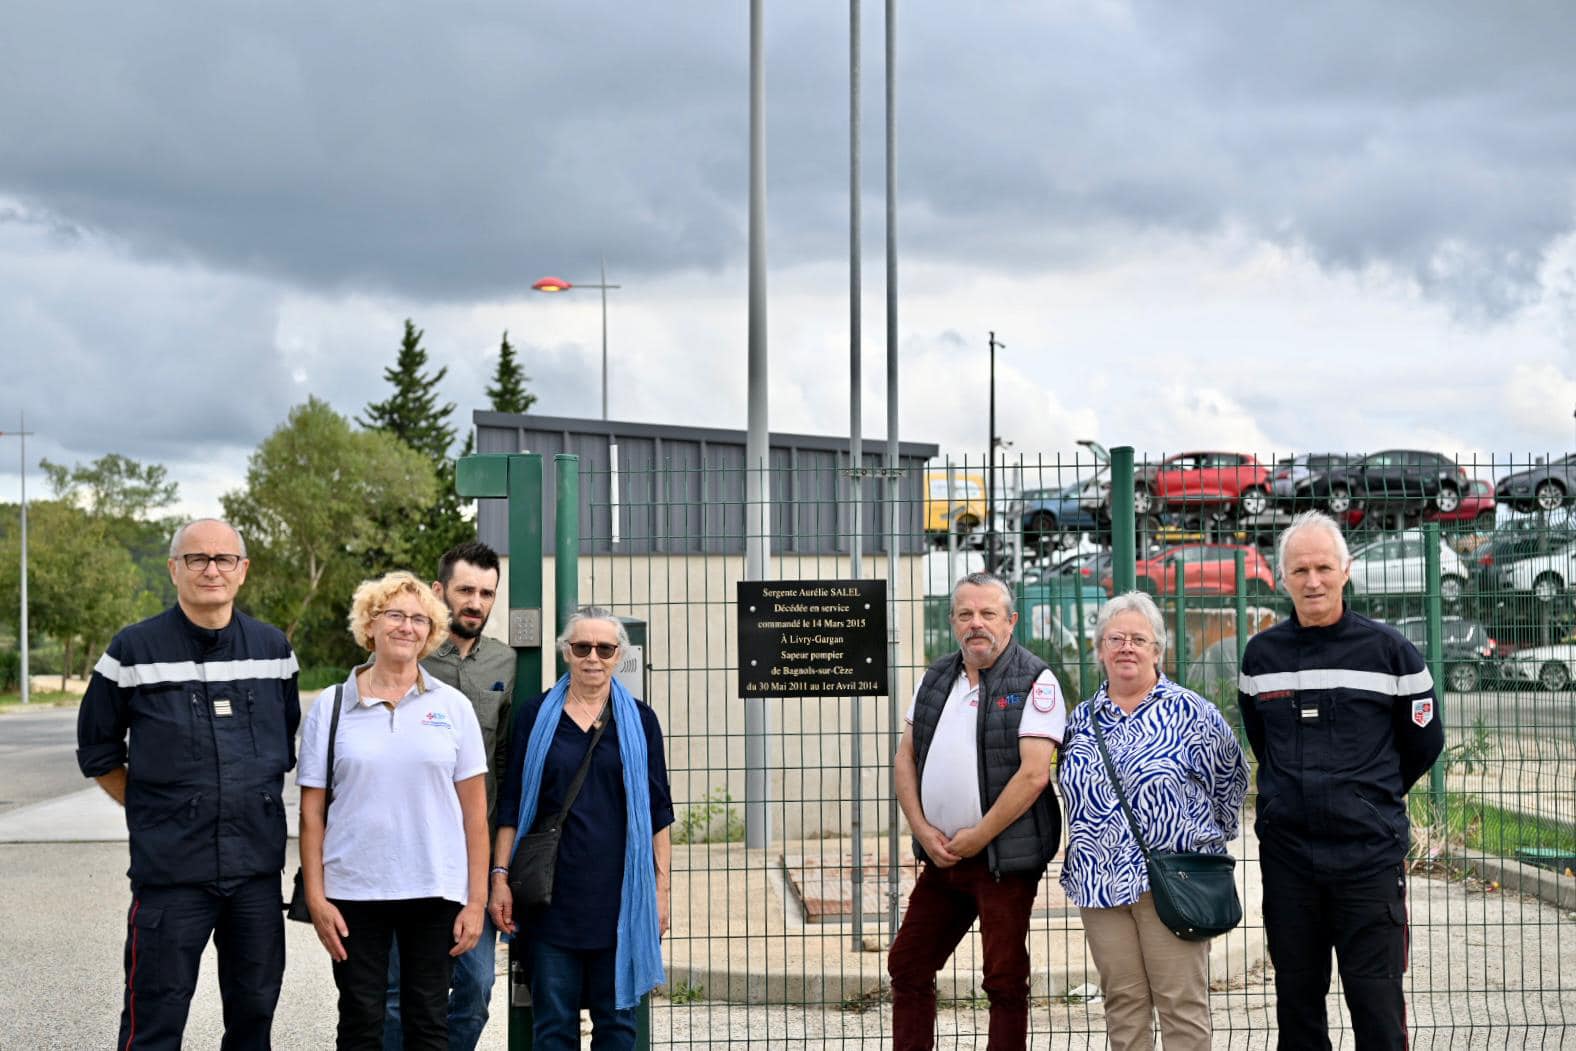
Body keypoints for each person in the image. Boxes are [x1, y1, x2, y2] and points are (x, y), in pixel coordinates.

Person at [76, 518, 301, 1051]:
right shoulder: (132, 650)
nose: (211, 570)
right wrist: (153, 810)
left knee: (253, 1019)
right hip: (172, 874)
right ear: (174, 568)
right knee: (154, 1020)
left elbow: (283, 744)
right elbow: (98, 752)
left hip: (255, 873)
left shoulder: (273, 650)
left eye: (224, 559)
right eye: (196, 559)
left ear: (243, 571)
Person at [1239, 511, 1444, 1051]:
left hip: (1367, 861)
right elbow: (1262, 738)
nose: (1312, 581)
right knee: (1297, 1007)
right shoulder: (1261, 657)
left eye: (1323, 567)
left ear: (1346, 570)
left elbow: (1424, 744)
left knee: (1377, 1009)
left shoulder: (1391, 652)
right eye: (1299, 569)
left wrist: (1366, 800)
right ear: (1281, 577)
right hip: (1289, 863)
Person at [297, 571, 490, 1051]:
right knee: (361, 1018)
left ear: (431, 632)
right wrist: (318, 900)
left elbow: (474, 815)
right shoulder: (332, 706)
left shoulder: (454, 707)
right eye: (395, 615)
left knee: (428, 1021)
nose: (407, 627)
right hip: (354, 890)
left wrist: (476, 900)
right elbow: (311, 814)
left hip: (435, 887)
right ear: (370, 624)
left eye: (419, 619)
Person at [1058, 591, 1249, 1051]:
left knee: (1181, 1004)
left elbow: (1231, 784)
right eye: (1116, 638)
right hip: (1099, 885)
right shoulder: (1079, 721)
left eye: (1139, 639)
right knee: (1122, 1005)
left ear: (1158, 651)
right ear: (1100, 648)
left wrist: (1195, 845)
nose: (1127, 647)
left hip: (1171, 883)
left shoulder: (1193, 714)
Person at [889, 571, 1065, 1051]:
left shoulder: (1036, 679)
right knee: (908, 964)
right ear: (952, 622)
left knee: (1004, 980)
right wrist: (923, 832)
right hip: (941, 857)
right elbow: (904, 758)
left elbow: (1033, 775)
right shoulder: (934, 678)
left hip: (1002, 863)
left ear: (1010, 621)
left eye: (988, 613)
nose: (976, 624)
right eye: (965, 614)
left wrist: (979, 836)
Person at [489, 607, 674, 1051]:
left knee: (617, 1028)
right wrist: (499, 877)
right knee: (553, 1028)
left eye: (605, 648)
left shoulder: (641, 722)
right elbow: (512, 801)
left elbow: (658, 811)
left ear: (617, 657)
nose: (593, 656)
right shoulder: (535, 717)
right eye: (582, 646)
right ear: (566, 653)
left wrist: (662, 890)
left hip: (621, 902)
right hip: (552, 902)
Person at [384, 541, 515, 1051]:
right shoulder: (407, 651)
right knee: (397, 992)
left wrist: (500, 867)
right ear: (439, 591)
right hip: (410, 849)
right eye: (465, 590)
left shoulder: (505, 661)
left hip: (473, 852)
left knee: (477, 984)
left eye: (486, 593)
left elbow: (504, 761)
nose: (475, 602)